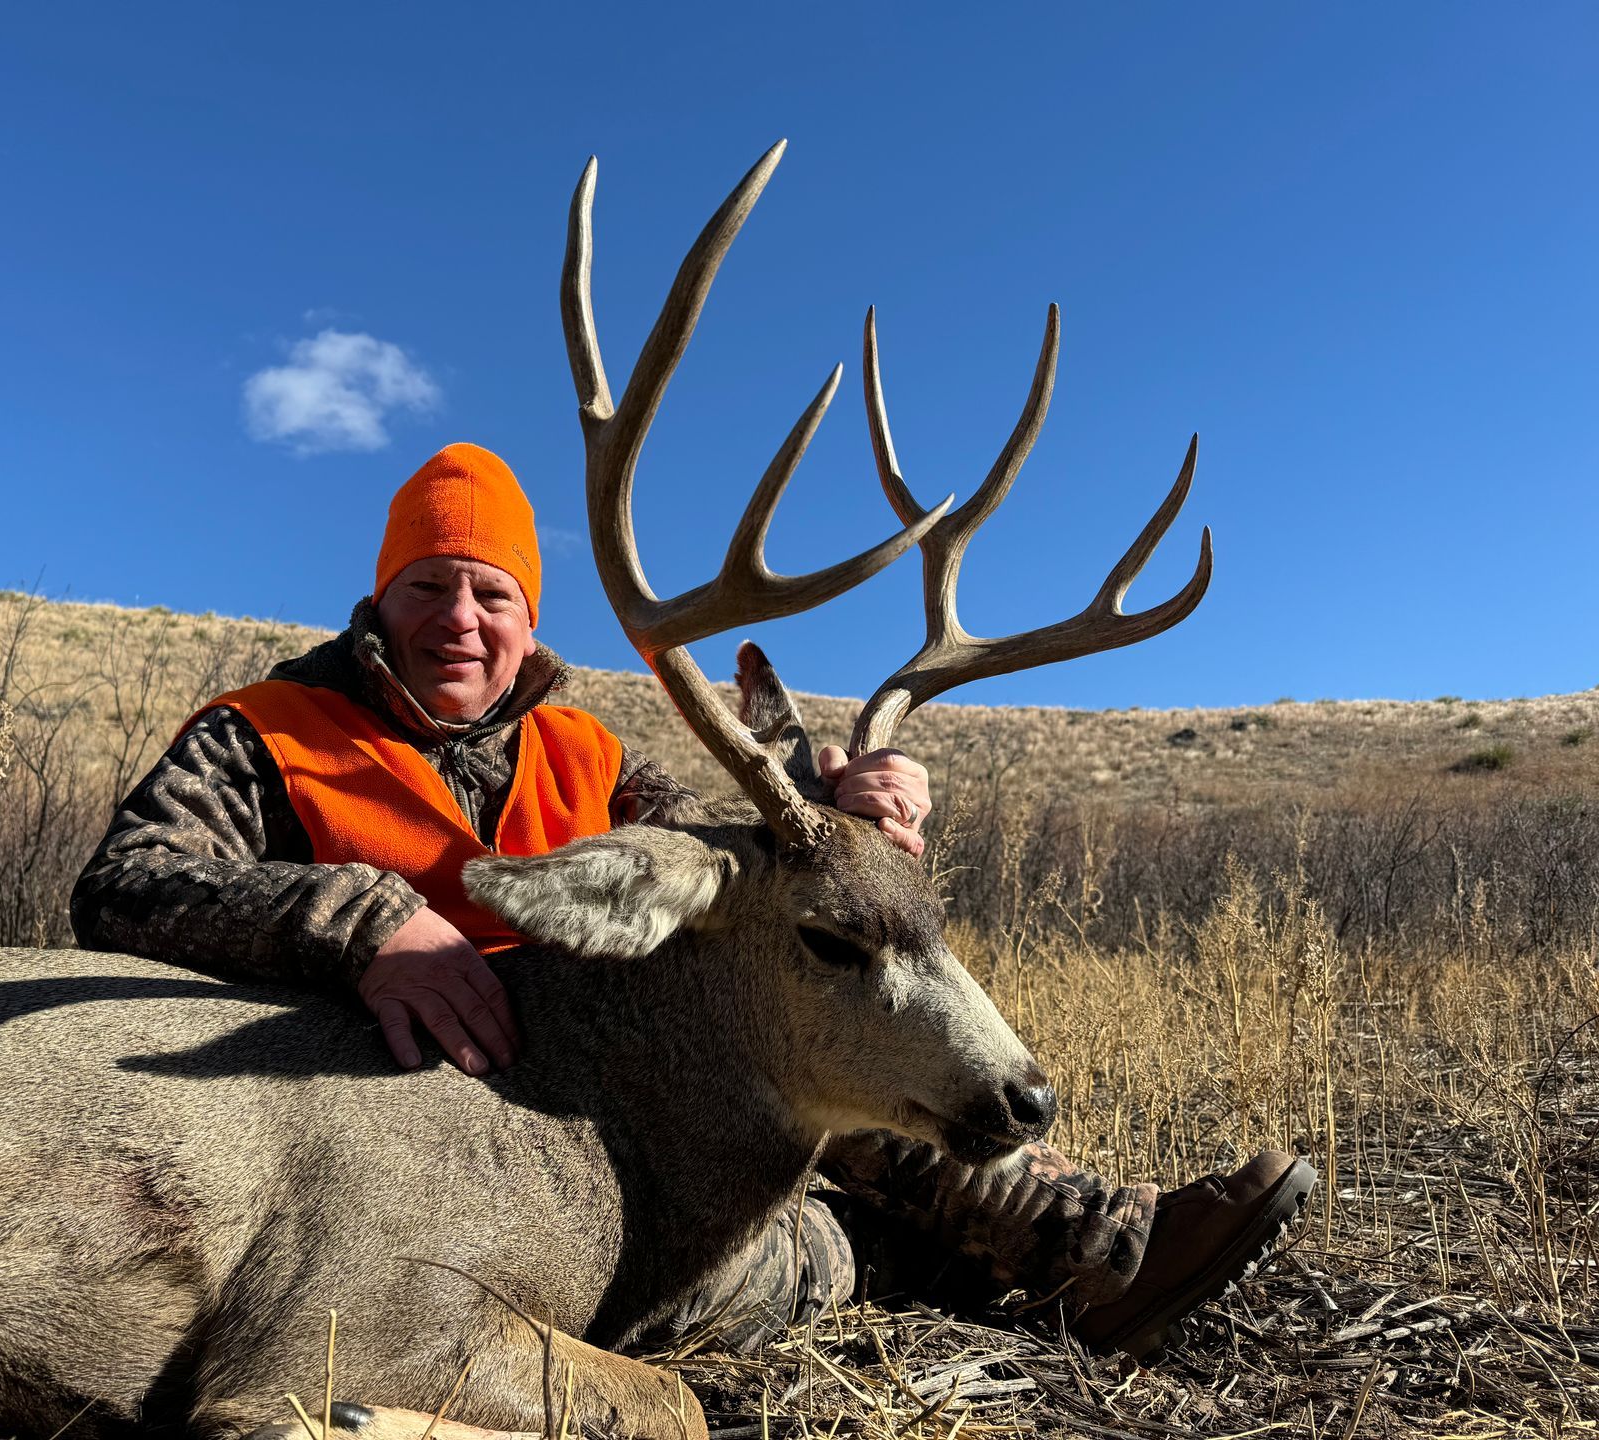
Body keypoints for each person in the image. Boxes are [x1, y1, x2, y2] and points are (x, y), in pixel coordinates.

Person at [71, 442, 1314, 1362]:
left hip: (584, 1084)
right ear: (380, 600)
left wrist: (843, 808)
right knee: (787, 1234)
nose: (460, 618)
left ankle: (1081, 1240)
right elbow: (125, 888)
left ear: (526, 616)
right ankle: (909, 1262)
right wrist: (361, 923)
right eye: (428, 586)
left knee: (789, 1011)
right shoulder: (265, 733)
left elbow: (754, 873)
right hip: (370, 1124)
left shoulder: (585, 752)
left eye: (491, 592)